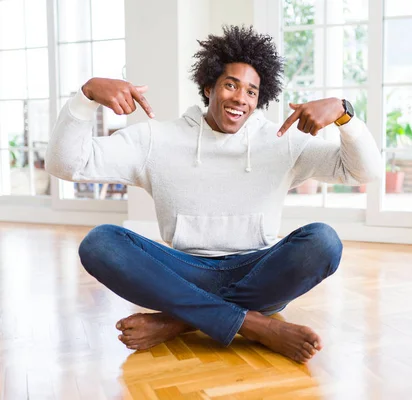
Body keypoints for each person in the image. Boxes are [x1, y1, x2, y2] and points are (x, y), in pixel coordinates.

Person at [45, 25, 380, 364]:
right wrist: (85, 97)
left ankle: (179, 321)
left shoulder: (281, 141)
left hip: (259, 274)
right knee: (99, 243)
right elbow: (67, 165)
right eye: (231, 84)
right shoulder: (156, 140)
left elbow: (363, 172)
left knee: (323, 241)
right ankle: (254, 325)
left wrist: (343, 113)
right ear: (209, 87)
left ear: (259, 99)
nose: (240, 98)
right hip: (183, 272)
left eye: (251, 91)